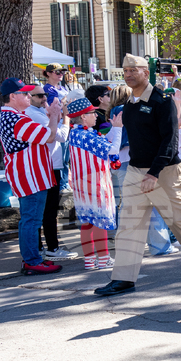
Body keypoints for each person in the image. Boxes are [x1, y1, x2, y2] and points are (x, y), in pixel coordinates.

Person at [95, 55, 181, 297]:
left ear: (145, 73)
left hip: (164, 171)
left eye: (133, 70)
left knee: (177, 218)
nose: (128, 74)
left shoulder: (162, 101)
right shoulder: (129, 103)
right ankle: (123, 278)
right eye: (126, 70)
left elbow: (169, 140)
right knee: (129, 224)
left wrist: (154, 172)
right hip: (135, 171)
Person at [0, 78, 64, 275]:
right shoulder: (15, 119)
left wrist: (52, 118)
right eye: (24, 93)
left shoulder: (15, 117)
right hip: (30, 176)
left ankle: (32, 259)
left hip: (30, 175)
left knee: (31, 219)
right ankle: (32, 261)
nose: (29, 96)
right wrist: (54, 116)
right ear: (12, 96)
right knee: (31, 220)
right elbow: (50, 136)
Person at [66, 97, 122, 270]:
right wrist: (118, 129)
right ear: (83, 117)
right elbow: (113, 149)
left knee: (87, 222)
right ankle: (103, 258)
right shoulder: (86, 135)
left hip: (82, 186)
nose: (96, 115)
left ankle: (90, 260)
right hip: (96, 184)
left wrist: (113, 128)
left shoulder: (76, 133)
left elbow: (105, 144)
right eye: (92, 113)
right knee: (100, 221)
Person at [25, 83, 76, 261]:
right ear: (28, 97)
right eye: (39, 95)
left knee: (47, 209)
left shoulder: (38, 112)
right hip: (46, 166)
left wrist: (57, 116)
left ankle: (45, 247)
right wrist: (66, 118)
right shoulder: (32, 113)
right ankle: (50, 248)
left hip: (51, 164)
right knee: (46, 210)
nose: (44, 98)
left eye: (44, 94)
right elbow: (59, 135)